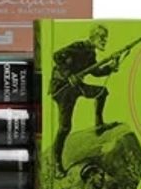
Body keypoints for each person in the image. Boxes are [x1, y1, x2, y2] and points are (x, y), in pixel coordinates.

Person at [49, 24, 118, 176]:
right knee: (65, 128)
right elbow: (57, 56)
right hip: (62, 89)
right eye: (102, 38)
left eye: (105, 38)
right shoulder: (78, 47)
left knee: (102, 92)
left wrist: (111, 67)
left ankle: (99, 124)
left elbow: (96, 71)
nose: (105, 41)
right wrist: (68, 75)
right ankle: (56, 164)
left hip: (76, 87)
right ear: (93, 37)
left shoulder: (91, 53)